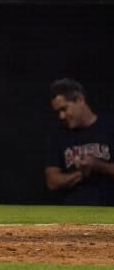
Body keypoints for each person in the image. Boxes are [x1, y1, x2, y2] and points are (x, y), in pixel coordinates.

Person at [45, 78, 114, 206]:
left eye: (64, 109)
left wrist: (97, 165)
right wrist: (81, 172)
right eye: (58, 112)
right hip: (72, 214)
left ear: (80, 99)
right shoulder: (59, 136)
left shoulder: (109, 127)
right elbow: (52, 181)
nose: (61, 116)